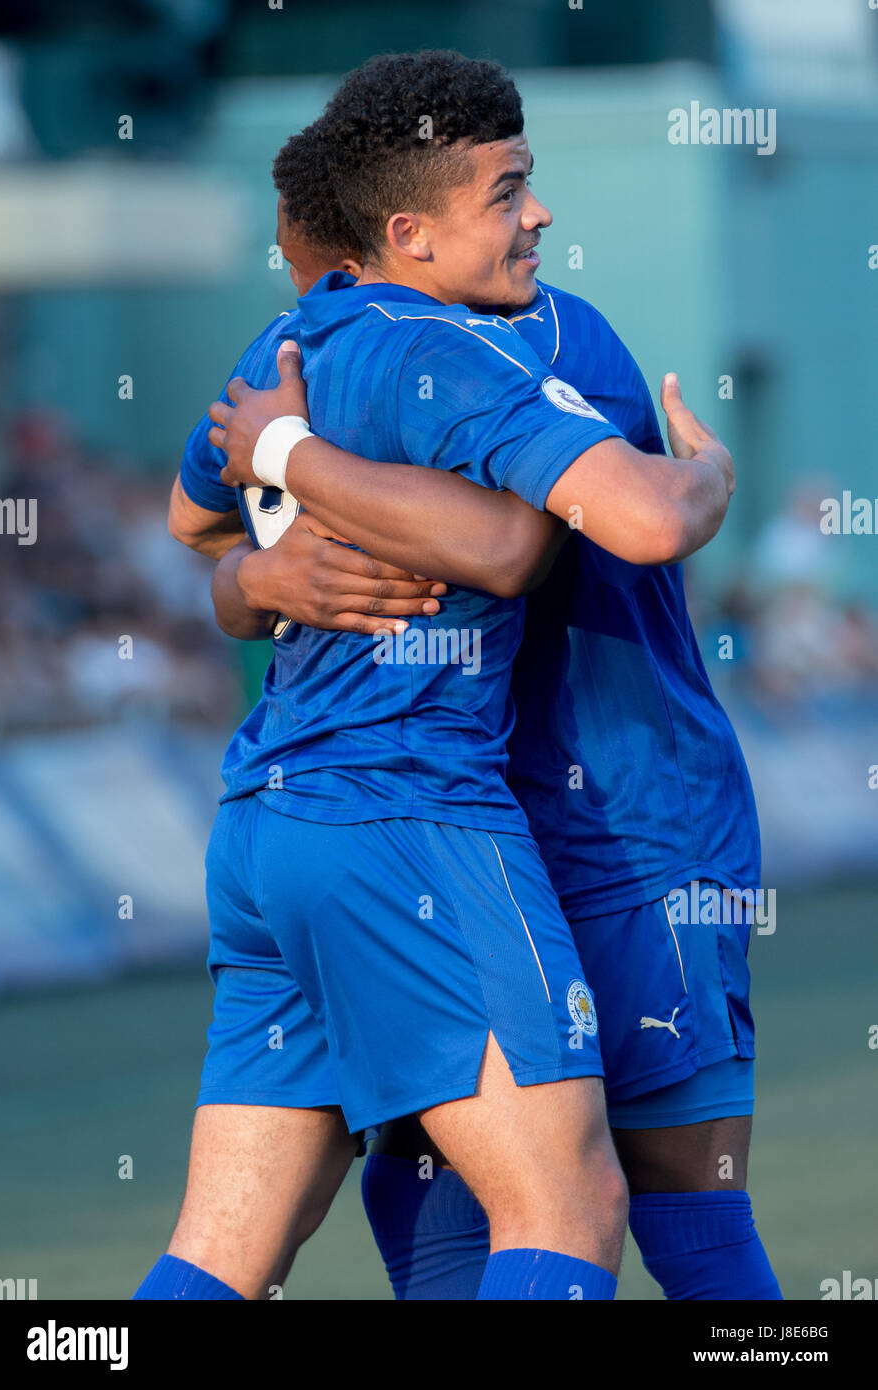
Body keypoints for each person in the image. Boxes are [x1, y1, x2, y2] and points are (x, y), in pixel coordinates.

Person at [200, 54, 777, 1302]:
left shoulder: (314, 352)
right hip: (530, 837)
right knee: (639, 1208)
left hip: (464, 827)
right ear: (387, 242)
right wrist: (712, 478)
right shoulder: (489, 338)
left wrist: (262, 557)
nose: (539, 218)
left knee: (395, 1213)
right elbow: (552, 538)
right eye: (511, 192)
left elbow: (204, 528)